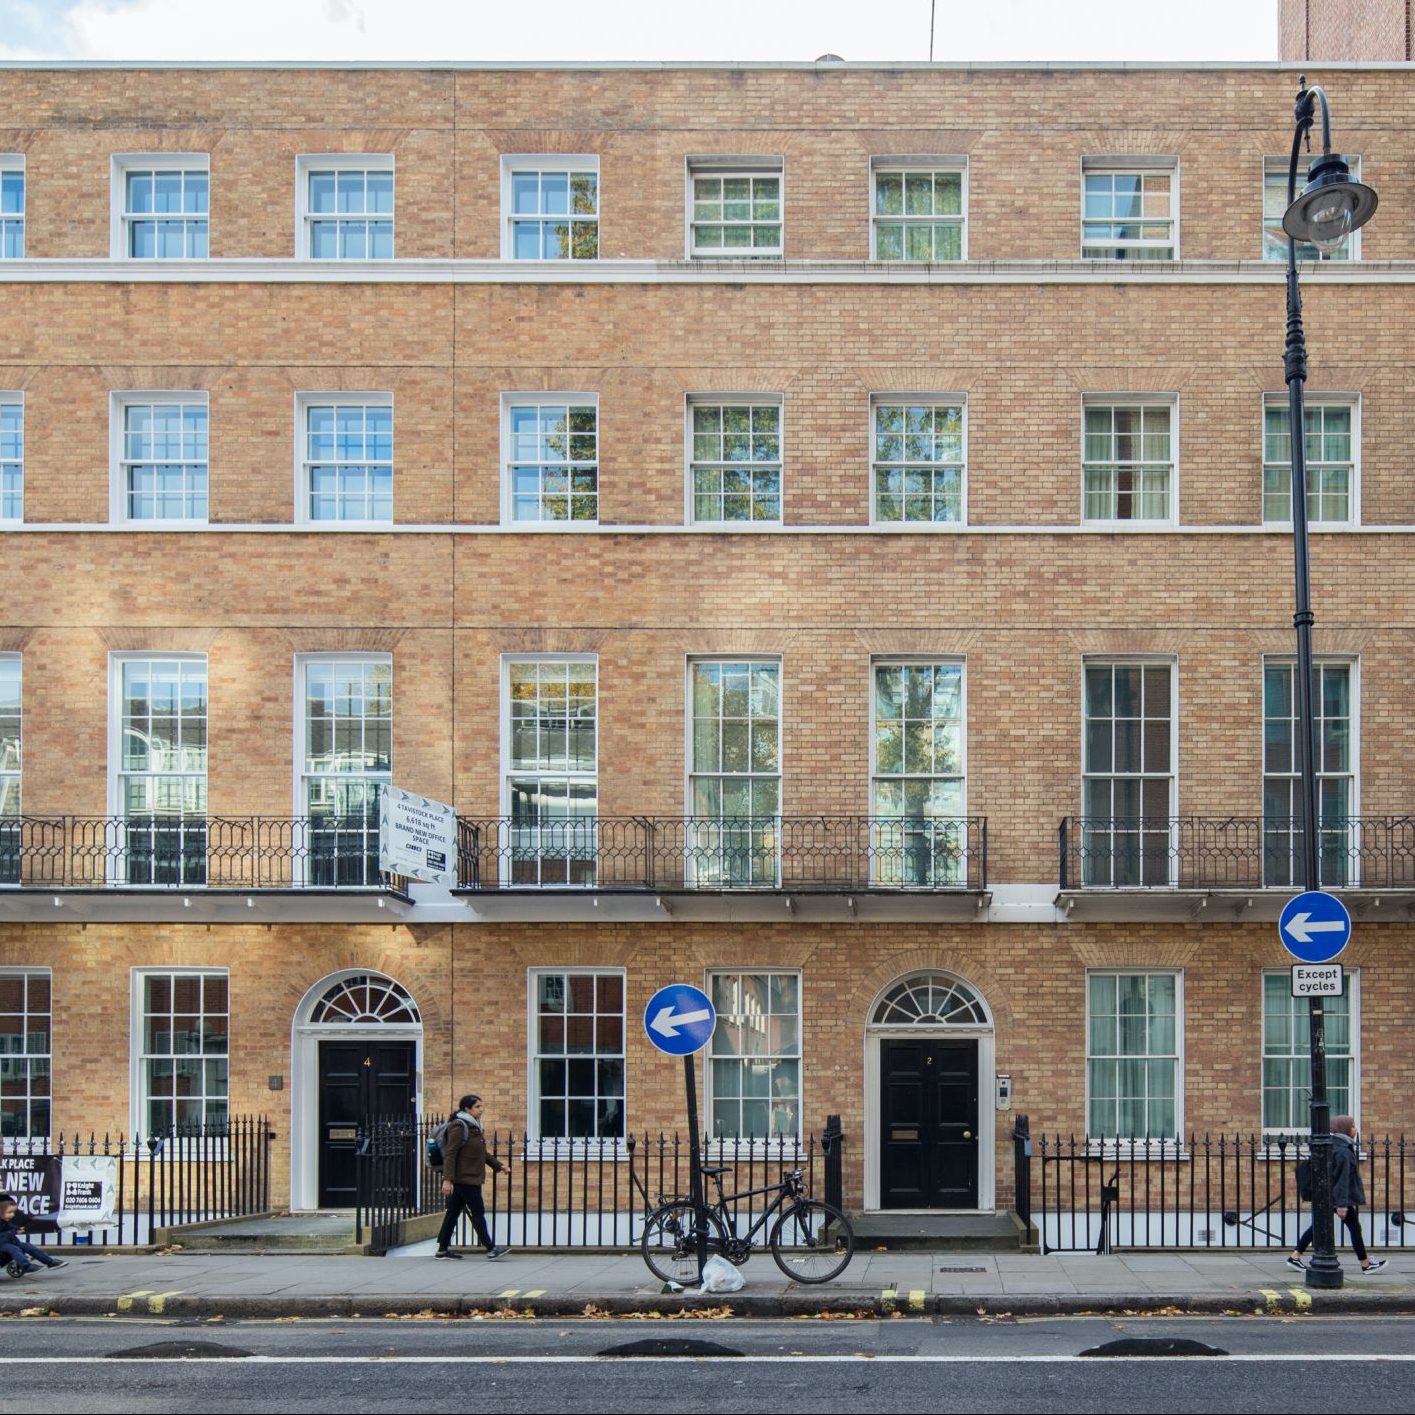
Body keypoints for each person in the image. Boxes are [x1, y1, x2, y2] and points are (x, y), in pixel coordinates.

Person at [1288, 1115, 1386, 1273]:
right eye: (1352, 1126)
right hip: (1336, 1197)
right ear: (1344, 1129)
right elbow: (1342, 1179)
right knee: (1353, 1228)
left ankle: (1295, 1256)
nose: (1355, 1129)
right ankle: (1365, 1263)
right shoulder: (1343, 1151)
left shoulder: (1333, 1146)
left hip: (1328, 1195)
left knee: (1318, 1226)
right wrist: (1341, 1205)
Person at [433, 1094, 510, 1260]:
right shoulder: (459, 1126)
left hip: (467, 1177)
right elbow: (451, 1153)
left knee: (452, 1213)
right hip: (465, 1178)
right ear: (467, 1109)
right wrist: (447, 1179)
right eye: (477, 1107)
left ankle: (442, 1250)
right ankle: (491, 1248)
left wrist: (499, 1165)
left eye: (481, 1106)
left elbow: (481, 1152)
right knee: (478, 1212)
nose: (481, 1110)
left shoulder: (474, 1127)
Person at [0, 1193, 67, 1278]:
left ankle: (50, 1262)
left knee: (27, 1246)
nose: (13, 1215)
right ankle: (26, 1266)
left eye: (13, 1212)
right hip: (3, 1245)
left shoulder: (6, 1222)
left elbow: (9, 1227)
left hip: (11, 1242)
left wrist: (16, 1229)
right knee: (14, 1249)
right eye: (9, 1212)